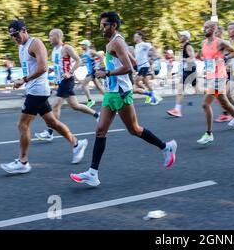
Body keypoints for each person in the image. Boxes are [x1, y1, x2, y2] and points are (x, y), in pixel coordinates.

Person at [70, 12, 177, 187]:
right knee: (100, 130)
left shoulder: (117, 41)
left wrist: (107, 72)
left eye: (104, 25)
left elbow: (128, 67)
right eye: (101, 24)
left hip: (121, 92)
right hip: (112, 92)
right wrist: (110, 67)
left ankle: (166, 147)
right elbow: (132, 62)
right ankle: (92, 173)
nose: (101, 28)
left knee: (134, 129)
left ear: (114, 25)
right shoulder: (116, 42)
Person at [1, 20, 88, 174]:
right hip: (33, 90)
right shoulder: (21, 46)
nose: (15, 38)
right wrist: (23, 81)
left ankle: (23, 161)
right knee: (52, 122)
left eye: (16, 34)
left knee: (22, 125)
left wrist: (24, 80)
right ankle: (77, 143)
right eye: (12, 36)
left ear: (24, 30)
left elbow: (43, 67)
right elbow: (30, 67)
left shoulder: (36, 43)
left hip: (38, 91)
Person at [34, 29, 100, 142]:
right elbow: (58, 65)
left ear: (57, 36)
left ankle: (49, 132)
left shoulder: (66, 48)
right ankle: (97, 115)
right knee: (75, 105)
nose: (49, 38)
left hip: (67, 80)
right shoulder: (54, 50)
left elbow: (79, 61)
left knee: (55, 105)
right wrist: (50, 70)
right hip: (61, 81)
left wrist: (69, 73)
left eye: (51, 36)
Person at [196, 20, 234, 145]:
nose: (204, 29)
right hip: (210, 77)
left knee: (205, 104)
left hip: (219, 77)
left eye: (207, 27)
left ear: (213, 29)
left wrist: (224, 58)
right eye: (203, 27)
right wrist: (204, 61)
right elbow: (203, 56)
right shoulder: (204, 43)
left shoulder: (220, 42)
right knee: (224, 103)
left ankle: (209, 134)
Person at [167, 31, 199, 117]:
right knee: (197, 90)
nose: (179, 37)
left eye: (181, 36)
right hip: (187, 70)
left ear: (186, 37)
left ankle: (177, 110)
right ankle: (215, 94)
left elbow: (192, 58)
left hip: (190, 70)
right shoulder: (184, 46)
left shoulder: (188, 46)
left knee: (180, 90)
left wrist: (183, 60)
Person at [133, 31, 162, 105]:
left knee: (136, 82)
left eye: (135, 36)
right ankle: (155, 96)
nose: (134, 38)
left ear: (139, 37)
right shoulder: (136, 46)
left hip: (144, 66)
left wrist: (153, 58)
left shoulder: (144, 44)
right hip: (140, 67)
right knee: (147, 83)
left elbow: (153, 49)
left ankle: (149, 94)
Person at [79, 39, 105, 108]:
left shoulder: (90, 51)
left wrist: (97, 66)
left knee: (83, 85)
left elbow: (100, 56)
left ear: (86, 45)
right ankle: (108, 99)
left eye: (82, 45)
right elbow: (84, 62)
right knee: (99, 87)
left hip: (92, 72)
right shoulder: (84, 53)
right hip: (90, 71)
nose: (81, 46)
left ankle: (90, 101)